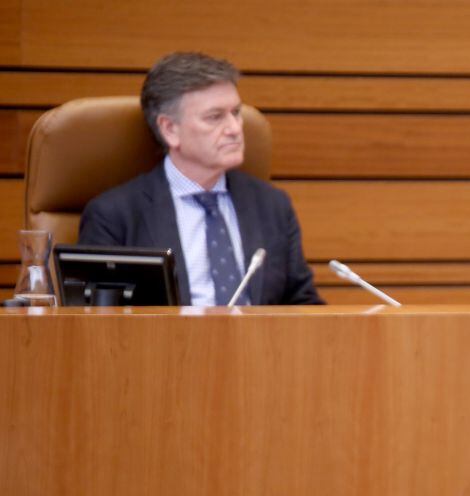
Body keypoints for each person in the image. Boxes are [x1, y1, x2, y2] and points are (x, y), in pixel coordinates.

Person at [79, 52, 323, 306]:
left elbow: (303, 305)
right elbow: (98, 326)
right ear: (170, 130)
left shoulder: (272, 206)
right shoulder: (115, 216)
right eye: (215, 117)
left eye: (236, 112)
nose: (235, 128)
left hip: (261, 345)